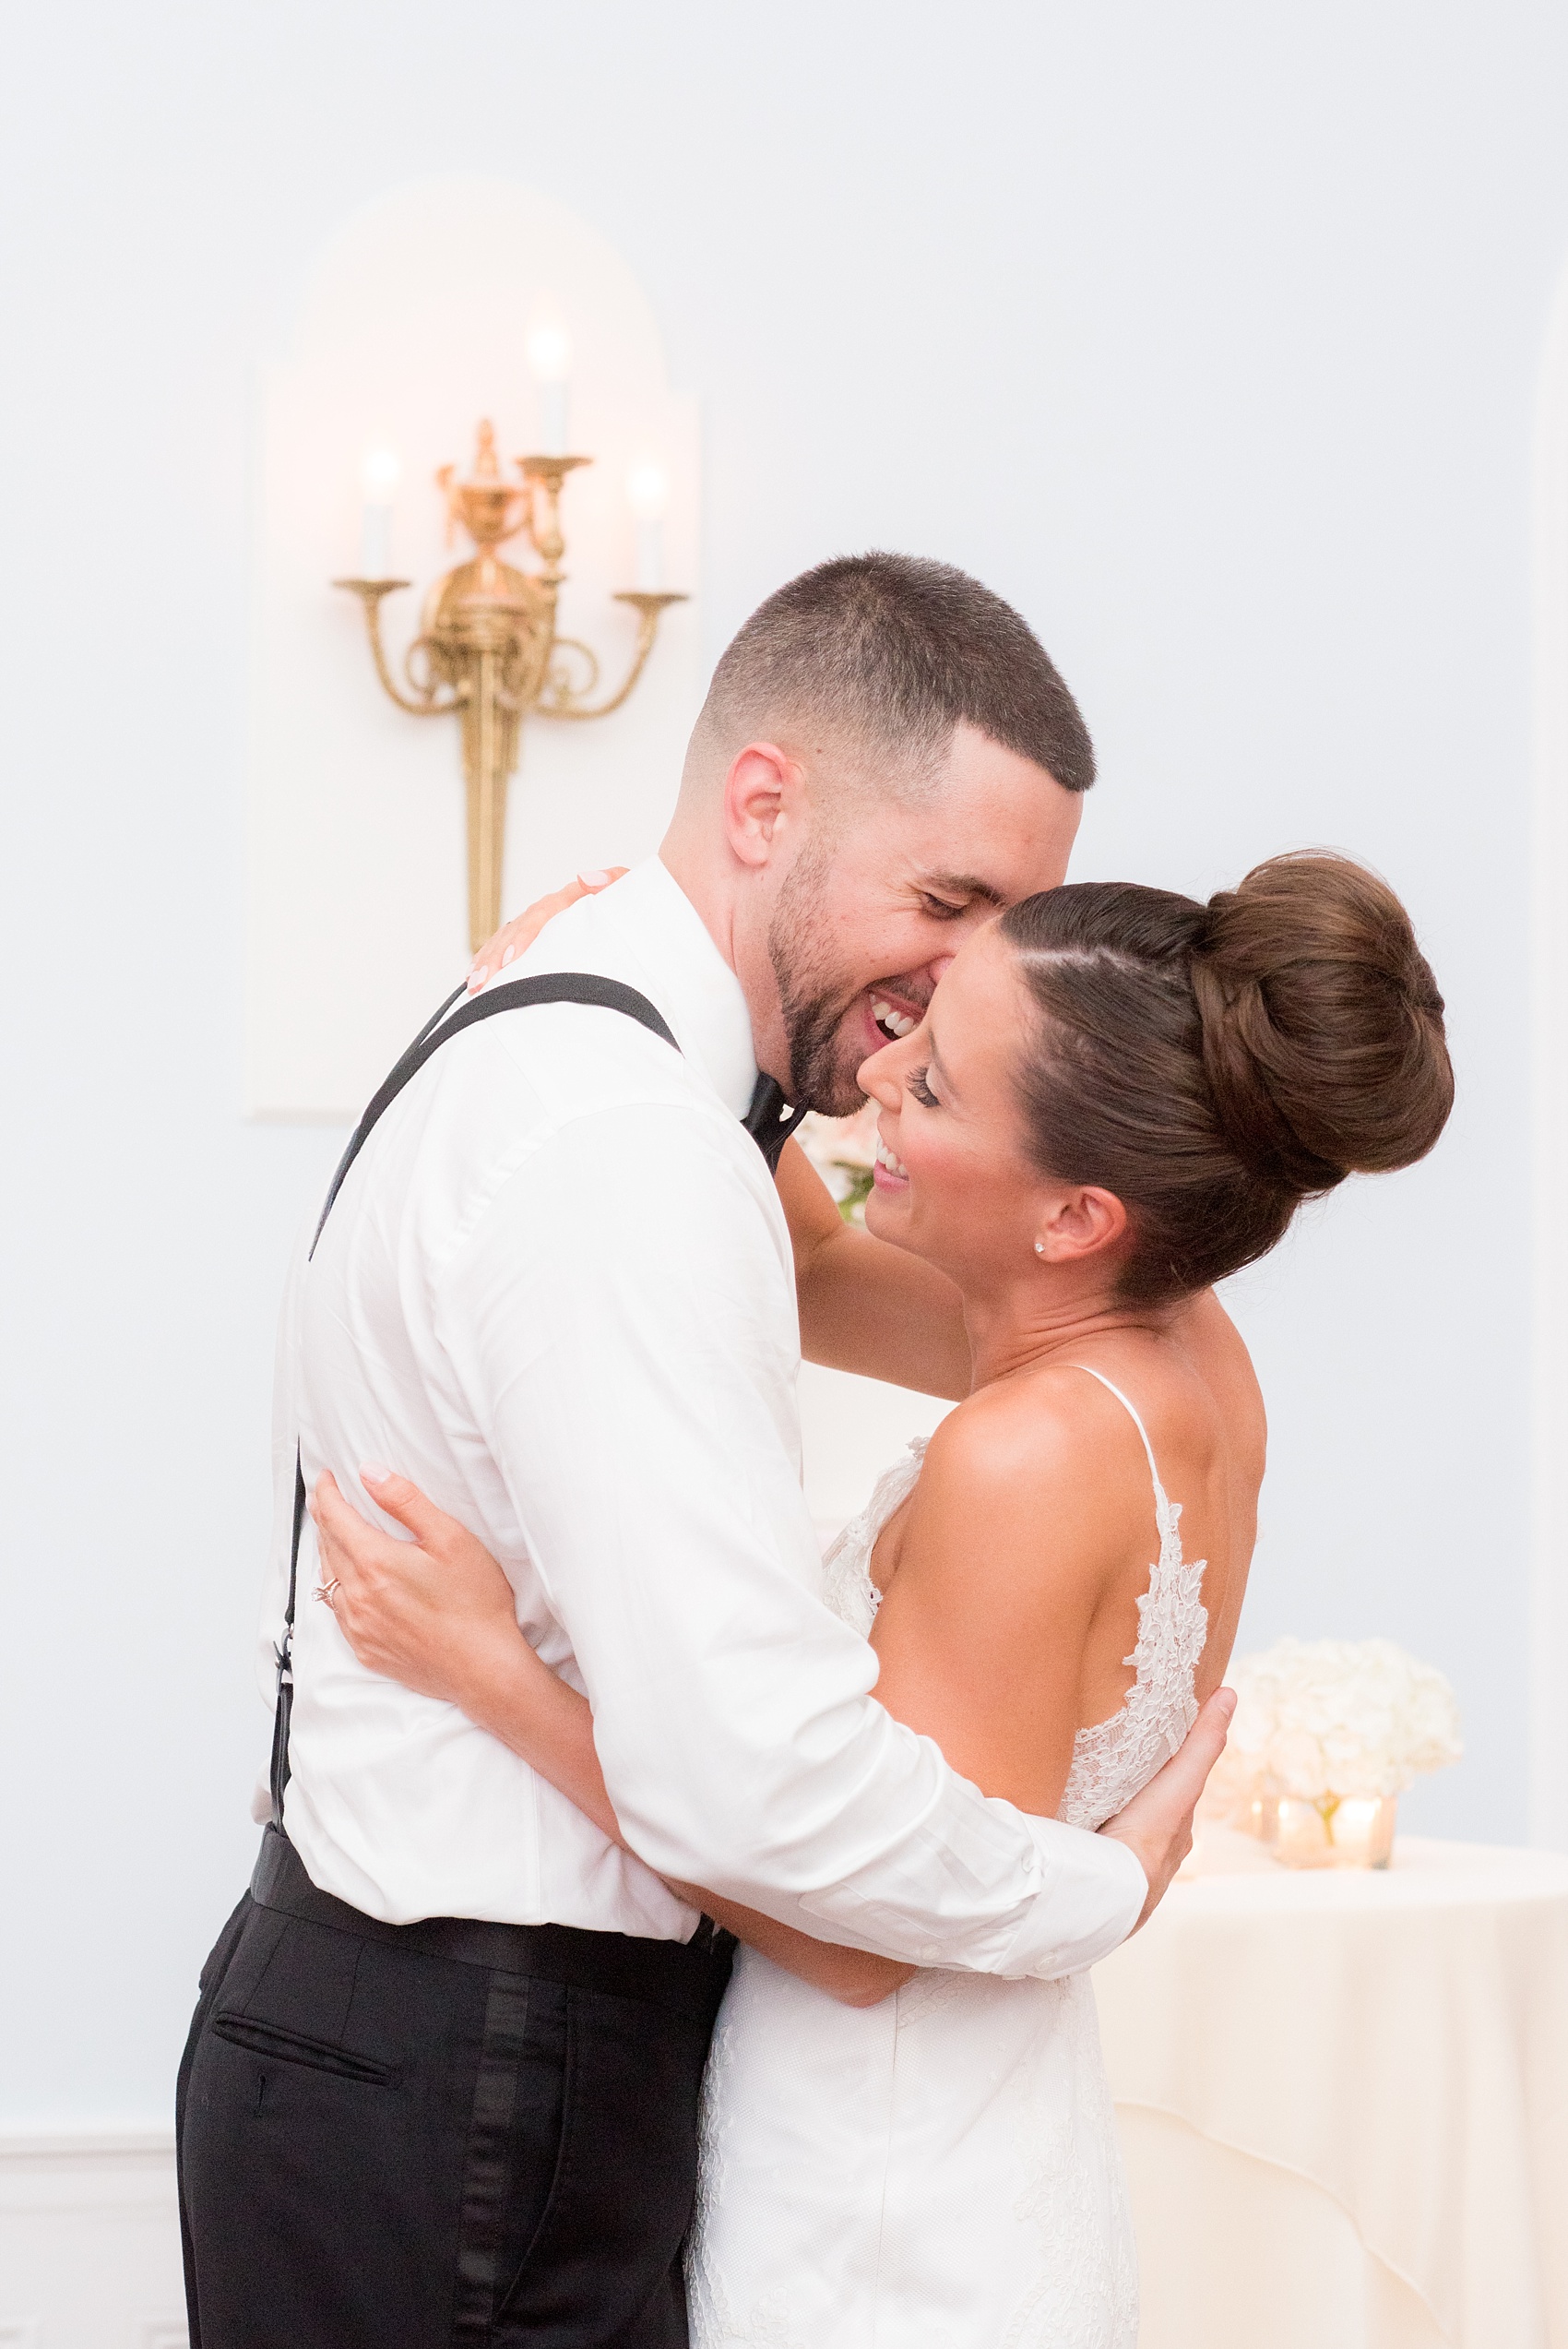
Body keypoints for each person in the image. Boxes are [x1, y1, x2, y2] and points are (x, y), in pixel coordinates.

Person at [175, 554, 1235, 2349]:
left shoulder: (607, 1049)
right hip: (482, 2062)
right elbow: (748, 1784)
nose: (962, 984)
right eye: (947, 897)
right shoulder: (628, 1146)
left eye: (1007, 925)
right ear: (763, 804)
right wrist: (1100, 1885)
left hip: (426, 2042)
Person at [312, 850, 1453, 2345]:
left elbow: (853, 1937)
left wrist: (495, 1675)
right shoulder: (1181, 1343)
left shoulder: (1023, 1454)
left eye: (934, 1089)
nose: (877, 1085)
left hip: (880, 2184)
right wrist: (615, 975)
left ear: (1074, 1218)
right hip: (997, 2125)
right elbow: (814, 1257)